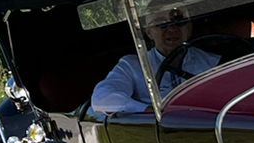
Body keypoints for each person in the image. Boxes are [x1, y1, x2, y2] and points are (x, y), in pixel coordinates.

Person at [90, 9, 221, 117]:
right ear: (149, 32)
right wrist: (148, 110)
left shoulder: (212, 62)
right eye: (161, 24)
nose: (172, 29)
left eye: (179, 22)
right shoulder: (133, 65)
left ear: (189, 27)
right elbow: (102, 98)